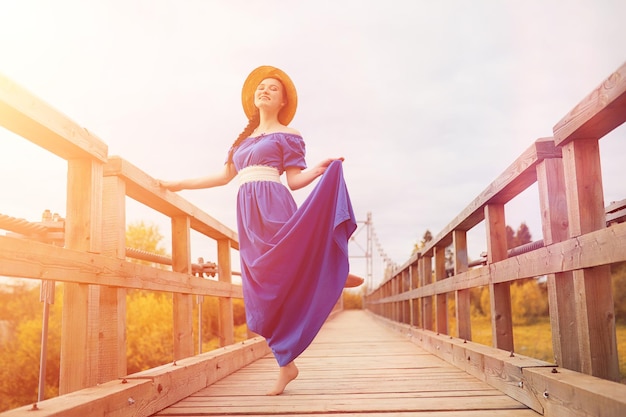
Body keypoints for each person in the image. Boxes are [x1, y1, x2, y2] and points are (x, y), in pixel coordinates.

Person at [160, 65, 363, 395]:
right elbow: (223, 177)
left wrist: (321, 170)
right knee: (259, 290)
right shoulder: (241, 142)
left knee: (283, 264)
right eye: (261, 88)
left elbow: (294, 181)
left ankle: (329, 270)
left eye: (273, 89)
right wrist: (179, 184)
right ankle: (287, 364)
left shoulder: (289, 135)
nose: (265, 91)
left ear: (283, 101)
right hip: (247, 213)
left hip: (274, 202)